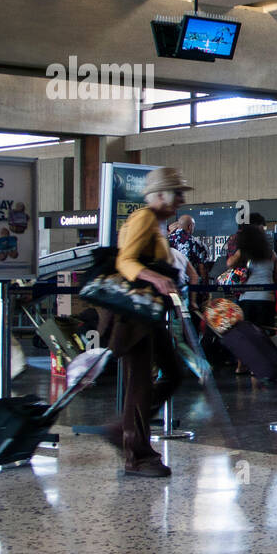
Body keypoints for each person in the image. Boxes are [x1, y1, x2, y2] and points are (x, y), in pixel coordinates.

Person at [97, 166, 190, 478]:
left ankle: (123, 430)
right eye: (177, 193)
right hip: (135, 315)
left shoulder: (156, 223)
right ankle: (135, 455)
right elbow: (125, 260)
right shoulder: (144, 217)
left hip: (148, 313)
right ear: (160, 195)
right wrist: (156, 278)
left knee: (173, 372)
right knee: (140, 381)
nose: (181, 199)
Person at [229, 223, 277, 334]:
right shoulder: (271, 254)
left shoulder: (243, 252)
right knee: (265, 333)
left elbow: (229, 263)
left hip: (247, 297)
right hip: (267, 297)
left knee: (248, 335)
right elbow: (276, 278)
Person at [168, 215, 209, 280]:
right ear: (190, 226)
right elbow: (202, 268)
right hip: (189, 282)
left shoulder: (166, 240)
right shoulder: (196, 243)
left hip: (169, 281)